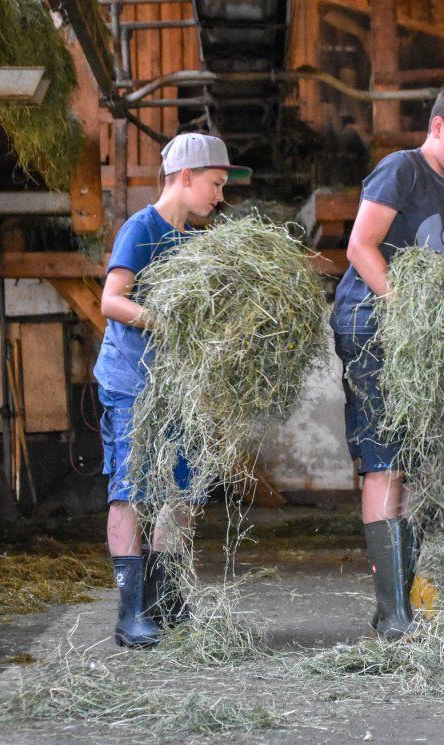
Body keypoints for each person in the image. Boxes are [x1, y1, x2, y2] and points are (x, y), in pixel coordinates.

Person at [330, 82, 444, 639]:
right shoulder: (401, 169)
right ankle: (391, 612)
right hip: (372, 325)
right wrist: (409, 310)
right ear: (440, 125)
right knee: (386, 459)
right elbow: (360, 247)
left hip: (416, 340)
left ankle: (399, 601)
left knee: (418, 461)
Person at [95, 133, 251, 648]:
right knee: (132, 492)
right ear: (185, 177)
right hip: (133, 383)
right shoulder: (142, 229)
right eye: (215, 183)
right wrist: (167, 323)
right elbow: (112, 301)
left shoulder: (197, 242)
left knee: (180, 493)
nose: (219, 196)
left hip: (178, 389)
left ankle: (164, 599)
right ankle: (129, 612)